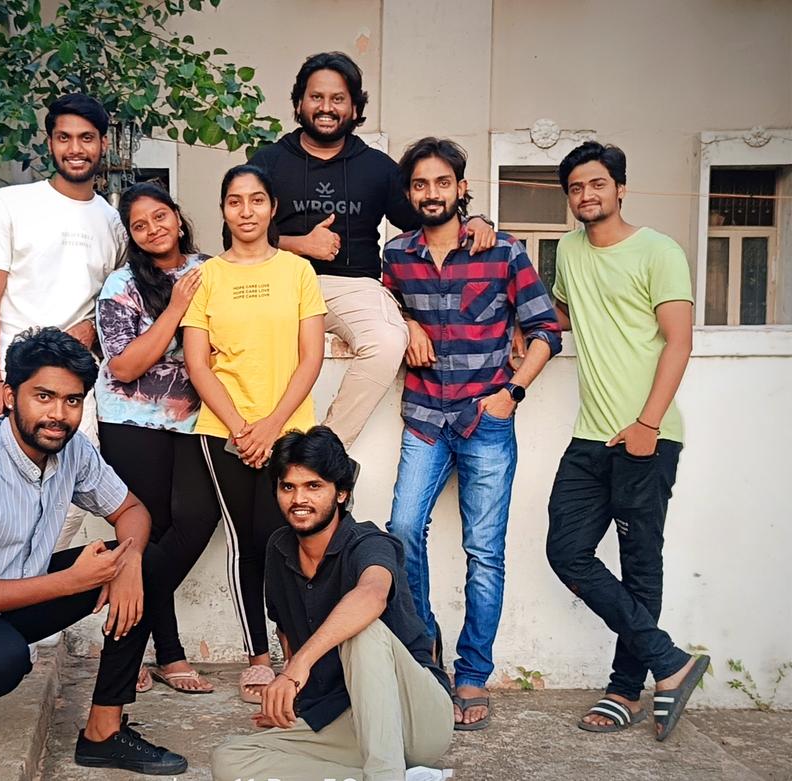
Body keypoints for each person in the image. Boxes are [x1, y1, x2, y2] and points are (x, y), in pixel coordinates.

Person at [0, 327, 188, 774]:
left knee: (147, 561)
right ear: (9, 396)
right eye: (43, 397)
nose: (58, 414)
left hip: (13, 590)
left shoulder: (72, 448)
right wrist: (72, 581)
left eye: (72, 400)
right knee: (0, 661)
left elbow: (131, 509)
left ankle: (104, 732)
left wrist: (131, 561)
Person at [382, 137, 561, 730]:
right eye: (419, 185)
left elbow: (545, 329)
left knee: (484, 553)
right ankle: (424, 649)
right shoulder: (396, 256)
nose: (430, 194)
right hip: (425, 417)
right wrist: (405, 320)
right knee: (404, 531)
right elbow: (375, 310)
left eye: (441, 183)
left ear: (461, 188)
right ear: (410, 194)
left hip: (486, 420)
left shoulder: (504, 251)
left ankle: (472, 673)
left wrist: (513, 392)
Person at [250, 52, 496, 448]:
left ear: (355, 107)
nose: (327, 108)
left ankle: (325, 447)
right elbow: (234, 239)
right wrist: (298, 244)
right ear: (299, 103)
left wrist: (477, 222)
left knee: (386, 342)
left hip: (352, 287)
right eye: (316, 97)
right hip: (276, 281)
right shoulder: (268, 161)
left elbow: (428, 220)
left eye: (338, 99)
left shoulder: (378, 168)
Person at [547, 141, 709, 740]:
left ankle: (624, 690)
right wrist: (521, 330)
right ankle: (671, 664)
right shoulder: (567, 249)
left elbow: (679, 341)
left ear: (620, 188)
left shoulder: (658, 251)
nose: (586, 196)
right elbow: (564, 313)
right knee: (566, 552)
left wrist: (647, 424)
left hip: (649, 435)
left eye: (597, 184)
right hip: (590, 437)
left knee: (641, 568)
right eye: (576, 188)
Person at [211, 426, 453, 781]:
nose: (299, 499)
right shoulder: (279, 550)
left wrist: (296, 670)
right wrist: (293, 698)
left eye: (314, 486)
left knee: (363, 631)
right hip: (348, 720)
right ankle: (391, 773)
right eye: (288, 487)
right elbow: (287, 635)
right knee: (230, 761)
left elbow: (370, 595)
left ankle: (386, 775)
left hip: (416, 717)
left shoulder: (369, 543)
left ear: (341, 493)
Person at [182, 164, 327, 703]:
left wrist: (269, 427)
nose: (246, 211)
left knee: (288, 541)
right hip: (223, 432)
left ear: (272, 208)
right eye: (235, 201)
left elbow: (310, 356)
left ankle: (299, 653)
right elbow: (199, 364)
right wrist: (243, 429)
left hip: (288, 431)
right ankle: (258, 657)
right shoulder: (207, 277)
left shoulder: (297, 271)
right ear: (223, 210)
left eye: (257, 200)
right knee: (248, 543)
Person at [0, 93, 126, 550]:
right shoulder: (11, 204)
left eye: (86, 138)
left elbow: (114, 302)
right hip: (11, 380)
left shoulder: (113, 221)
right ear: (50, 143)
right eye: (64, 138)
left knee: (71, 505)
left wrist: (92, 328)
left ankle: (41, 616)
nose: (75, 148)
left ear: (102, 144)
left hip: (78, 387)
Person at [95, 182, 220, 695]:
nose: (153, 229)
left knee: (193, 521)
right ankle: (166, 654)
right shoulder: (122, 285)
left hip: (197, 420)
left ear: (177, 214)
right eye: (140, 225)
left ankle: (128, 636)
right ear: (131, 235)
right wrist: (174, 307)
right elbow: (123, 365)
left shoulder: (213, 269)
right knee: (146, 531)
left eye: (160, 216)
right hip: (131, 421)